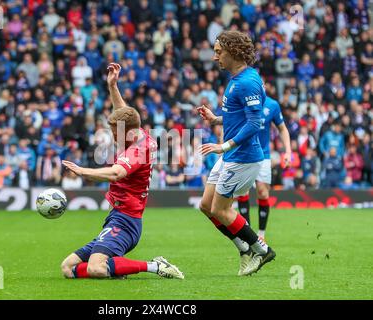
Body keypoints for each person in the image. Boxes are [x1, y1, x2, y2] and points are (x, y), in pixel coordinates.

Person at [60, 63, 184, 280]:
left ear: (127, 131)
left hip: (126, 221)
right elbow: (125, 114)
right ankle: (117, 267)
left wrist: (82, 171)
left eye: (115, 131)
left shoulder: (138, 150)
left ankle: (155, 266)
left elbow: (116, 173)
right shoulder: (138, 133)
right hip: (115, 218)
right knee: (68, 268)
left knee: (95, 269)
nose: (113, 135)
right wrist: (113, 86)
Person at [197, 30, 275, 276]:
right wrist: (216, 120)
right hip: (231, 155)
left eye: (219, 52)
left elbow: (255, 123)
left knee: (221, 210)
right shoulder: (237, 79)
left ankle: (261, 250)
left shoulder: (248, 82)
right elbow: (238, 117)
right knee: (206, 206)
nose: (215, 57)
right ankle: (244, 248)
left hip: (243, 157)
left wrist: (225, 145)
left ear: (233, 52)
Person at [199, 95, 292, 241]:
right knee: (242, 194)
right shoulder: (244, 100)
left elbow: (283, 129)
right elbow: (233, 119)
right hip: (242, 154)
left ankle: (261, 234)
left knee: (262, 192)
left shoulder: (272, 105)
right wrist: (217, 122)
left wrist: (288, 151)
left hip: (264, 154)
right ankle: (247, 232)